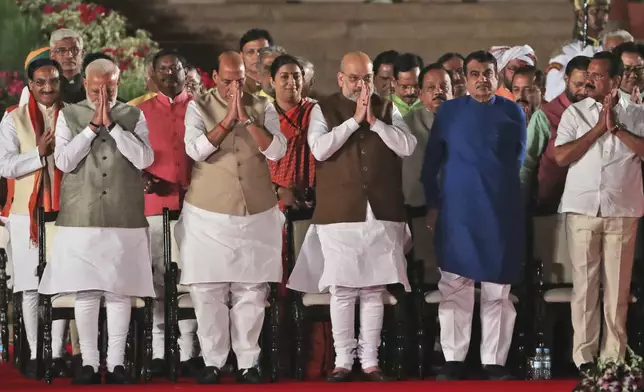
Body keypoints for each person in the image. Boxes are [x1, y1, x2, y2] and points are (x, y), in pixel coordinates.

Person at [288, 51, 417, 382]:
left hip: (382, 211)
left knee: (374, 289)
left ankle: (370, 361)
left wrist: (373, 122)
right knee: (343, 289)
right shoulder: (322, 108)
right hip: (339, 213)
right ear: (341, 78)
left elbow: (406, 146)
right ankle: (344, 361)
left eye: (367, 78)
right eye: (355, 78)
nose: (362, 85)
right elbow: (319, 148)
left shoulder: (387, 107)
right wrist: (353, 122)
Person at [38, 58, 155, 385]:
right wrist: (92, 127)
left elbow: (145, 158)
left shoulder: (134, 115)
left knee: (120, 292)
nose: (104, 94)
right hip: (81, 218)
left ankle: (116, 364)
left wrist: (114, 127)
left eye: (111, 88)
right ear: (85, 85)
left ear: (119, 84)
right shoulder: (69, 115)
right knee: (87, 292)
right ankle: (89, 363)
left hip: (124, 218)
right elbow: (63, 160)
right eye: (96, 88)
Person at [177, 51, 286, 384]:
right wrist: (227, 121)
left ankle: (248, 362)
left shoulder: (264, 106)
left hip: (256, 211)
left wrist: (248, 120)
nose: (235, 87)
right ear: (214, 76)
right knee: (208, 291)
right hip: (208, 213)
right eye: (227, 81)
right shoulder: (198, 106)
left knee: (252, 291)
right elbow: (195, 150)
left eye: (240, 80)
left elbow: (277, 150)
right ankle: (212, 360)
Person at [421, 50, 526, 381]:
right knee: (455, 285)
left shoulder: (512, 112)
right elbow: (431, 165)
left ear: (498, 76)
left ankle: (494, 360)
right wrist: (433, 204)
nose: (482, 79)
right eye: (475, 73)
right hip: (457, 212)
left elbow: (518, 161)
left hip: (499, 212)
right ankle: (453, 359)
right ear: (463, 80)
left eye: (488, 73)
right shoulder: (450, 112)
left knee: (498, 289)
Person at [554, 51, 644, 374]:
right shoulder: (574, 114)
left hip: (622, 209)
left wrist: (617, 129)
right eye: (588, 74)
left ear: (616, 81)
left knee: (618, 290)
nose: (590, 79)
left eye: (598, 75)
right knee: (585, 287)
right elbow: (561, 157)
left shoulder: (637, 113)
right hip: (581, 210)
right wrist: (597, 130)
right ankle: (584, 359)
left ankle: (613, 359)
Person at [0, 59, 69, 379]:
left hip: (66, 213)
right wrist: (39, 153)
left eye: (52, 81)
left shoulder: (73, 115)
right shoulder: (13, 119)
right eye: (40, 82)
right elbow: (7, 166)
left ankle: (55, 354)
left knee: (61, 284)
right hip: (25, 215)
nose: (47, 87)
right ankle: (32, 351)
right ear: (30, 84)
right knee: (29, 287)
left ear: (60, 82)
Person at [137, 49, 201, 376]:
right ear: (152, 74)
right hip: (154, 207)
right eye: (161, 69)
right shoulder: (139, 111)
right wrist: (142, 176)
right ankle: (162, 350)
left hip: (197, 208)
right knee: (159, 280)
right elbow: (126, 155)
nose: (168, 74)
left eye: (174, 68)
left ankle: (191, 350)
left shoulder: (201, 107)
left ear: (184, 71)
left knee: (194, 278)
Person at [403, 63, 453, 284]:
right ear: (421, 94)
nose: (438, 92)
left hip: (459, 210)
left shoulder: (466, 121)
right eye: (430, 87)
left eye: (444, 86)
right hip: (419, 212)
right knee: (427, 278)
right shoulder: (406, 125)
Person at [520, 55, 590, 211]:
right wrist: (522, 205)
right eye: (578, 84)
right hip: (548, 206)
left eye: (589, 85)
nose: (584, 91)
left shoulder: (595, 113)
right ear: (566, 79)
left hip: (585, 207)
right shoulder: (545, 115)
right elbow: (526, 163)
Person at [544, 0, 611, 102]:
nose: (602, 16)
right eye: (596, 11)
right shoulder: (565, 52)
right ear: (581, 14)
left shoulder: (609, 48)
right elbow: (552, 95)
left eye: (605, 11)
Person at [239, 28, 273, 95]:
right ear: (241, 56)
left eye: (263, 51)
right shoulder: (236, 87)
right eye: (250, 52)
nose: (257, 56)